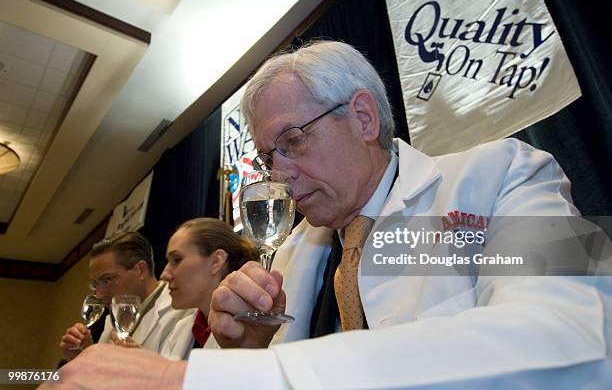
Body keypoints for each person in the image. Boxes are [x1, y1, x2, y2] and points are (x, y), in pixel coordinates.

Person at [43, 41, 611, 390]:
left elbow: (579, 338)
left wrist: (194, 378)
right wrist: (239, 351)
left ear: (362, 117)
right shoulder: (291, 252)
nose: (279, 173)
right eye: (269, 156)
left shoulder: (506, 174)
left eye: (293, 141)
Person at [111, 218, 259, 359]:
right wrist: (143, 363)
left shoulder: (253, 327)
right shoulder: (184, 328)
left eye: (176, 260)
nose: (164, 275)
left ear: (216, 261)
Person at [58, 231, 191, 361]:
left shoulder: (183, 309)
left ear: (141, 270)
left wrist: (140, 362)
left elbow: (179, 378)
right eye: (95, 285)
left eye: (106, 280)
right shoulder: (112, 320)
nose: (98, 295)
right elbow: (107, 377)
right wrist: (85, 355)